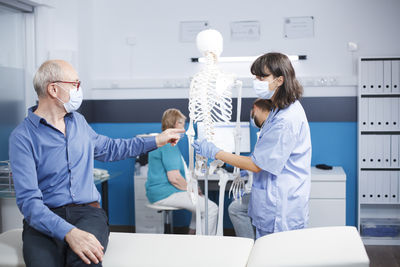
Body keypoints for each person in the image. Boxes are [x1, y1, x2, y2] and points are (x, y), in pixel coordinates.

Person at [9, 60, 184, 267]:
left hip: (88, 214)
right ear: (53, 89)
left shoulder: (79, 123)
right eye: (75, 84)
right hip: (44, 219)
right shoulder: (22, 137)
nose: (79, 89)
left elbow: (112, 148)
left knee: (85, 261)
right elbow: (29, 203)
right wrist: (69, 233)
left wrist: (157, 139)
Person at [193, 52, 312, 239]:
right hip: (272, 195)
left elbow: (257, 164)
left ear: (280, 80)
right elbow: (266, 156)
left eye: (262, 76)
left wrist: (216, 152)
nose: (256, 81)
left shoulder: (286, 120)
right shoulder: (279, 110)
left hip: (280, 204)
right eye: (255, 76)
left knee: (276, 256)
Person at [146, 108, 218, 235]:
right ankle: (205, 245)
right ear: (174, 124)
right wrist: (192, 189)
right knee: (211, 208)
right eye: (182, 124)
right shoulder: (169, 144)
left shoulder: (162, 141)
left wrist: (193, 188)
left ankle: (192, 235)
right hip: (165, 194)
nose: (184, 129)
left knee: (200, 203)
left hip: (159, 192)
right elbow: (174, 178)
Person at [228, 99, 272, 239]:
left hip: (270, 192)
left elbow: (257, 164)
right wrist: (247, 171)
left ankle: (248, 246)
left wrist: (219, 154)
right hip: (266, 188)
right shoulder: (267, 130)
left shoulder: (269, 132)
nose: (252, 116)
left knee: (235, 209)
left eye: (253, 112)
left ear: (256, 108)